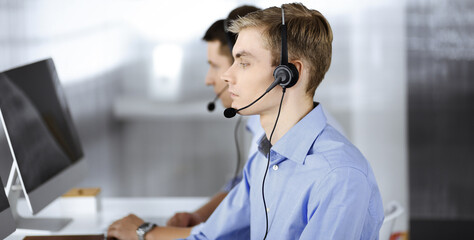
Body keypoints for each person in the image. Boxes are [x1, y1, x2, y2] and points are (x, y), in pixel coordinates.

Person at [180, 3, 384, 239]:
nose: (227, 75)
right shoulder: (262, 161)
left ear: (287, 74)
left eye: (244, 63)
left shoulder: (338, 175)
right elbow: (208, 237)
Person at [107, 5, 262, 240]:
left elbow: (221, 232)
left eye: (215, 66)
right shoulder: (261, 124)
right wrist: (200, 216)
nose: (210, 79)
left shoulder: (276, 132)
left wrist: (145, 233)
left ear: (241, 65)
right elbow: (244, 187)